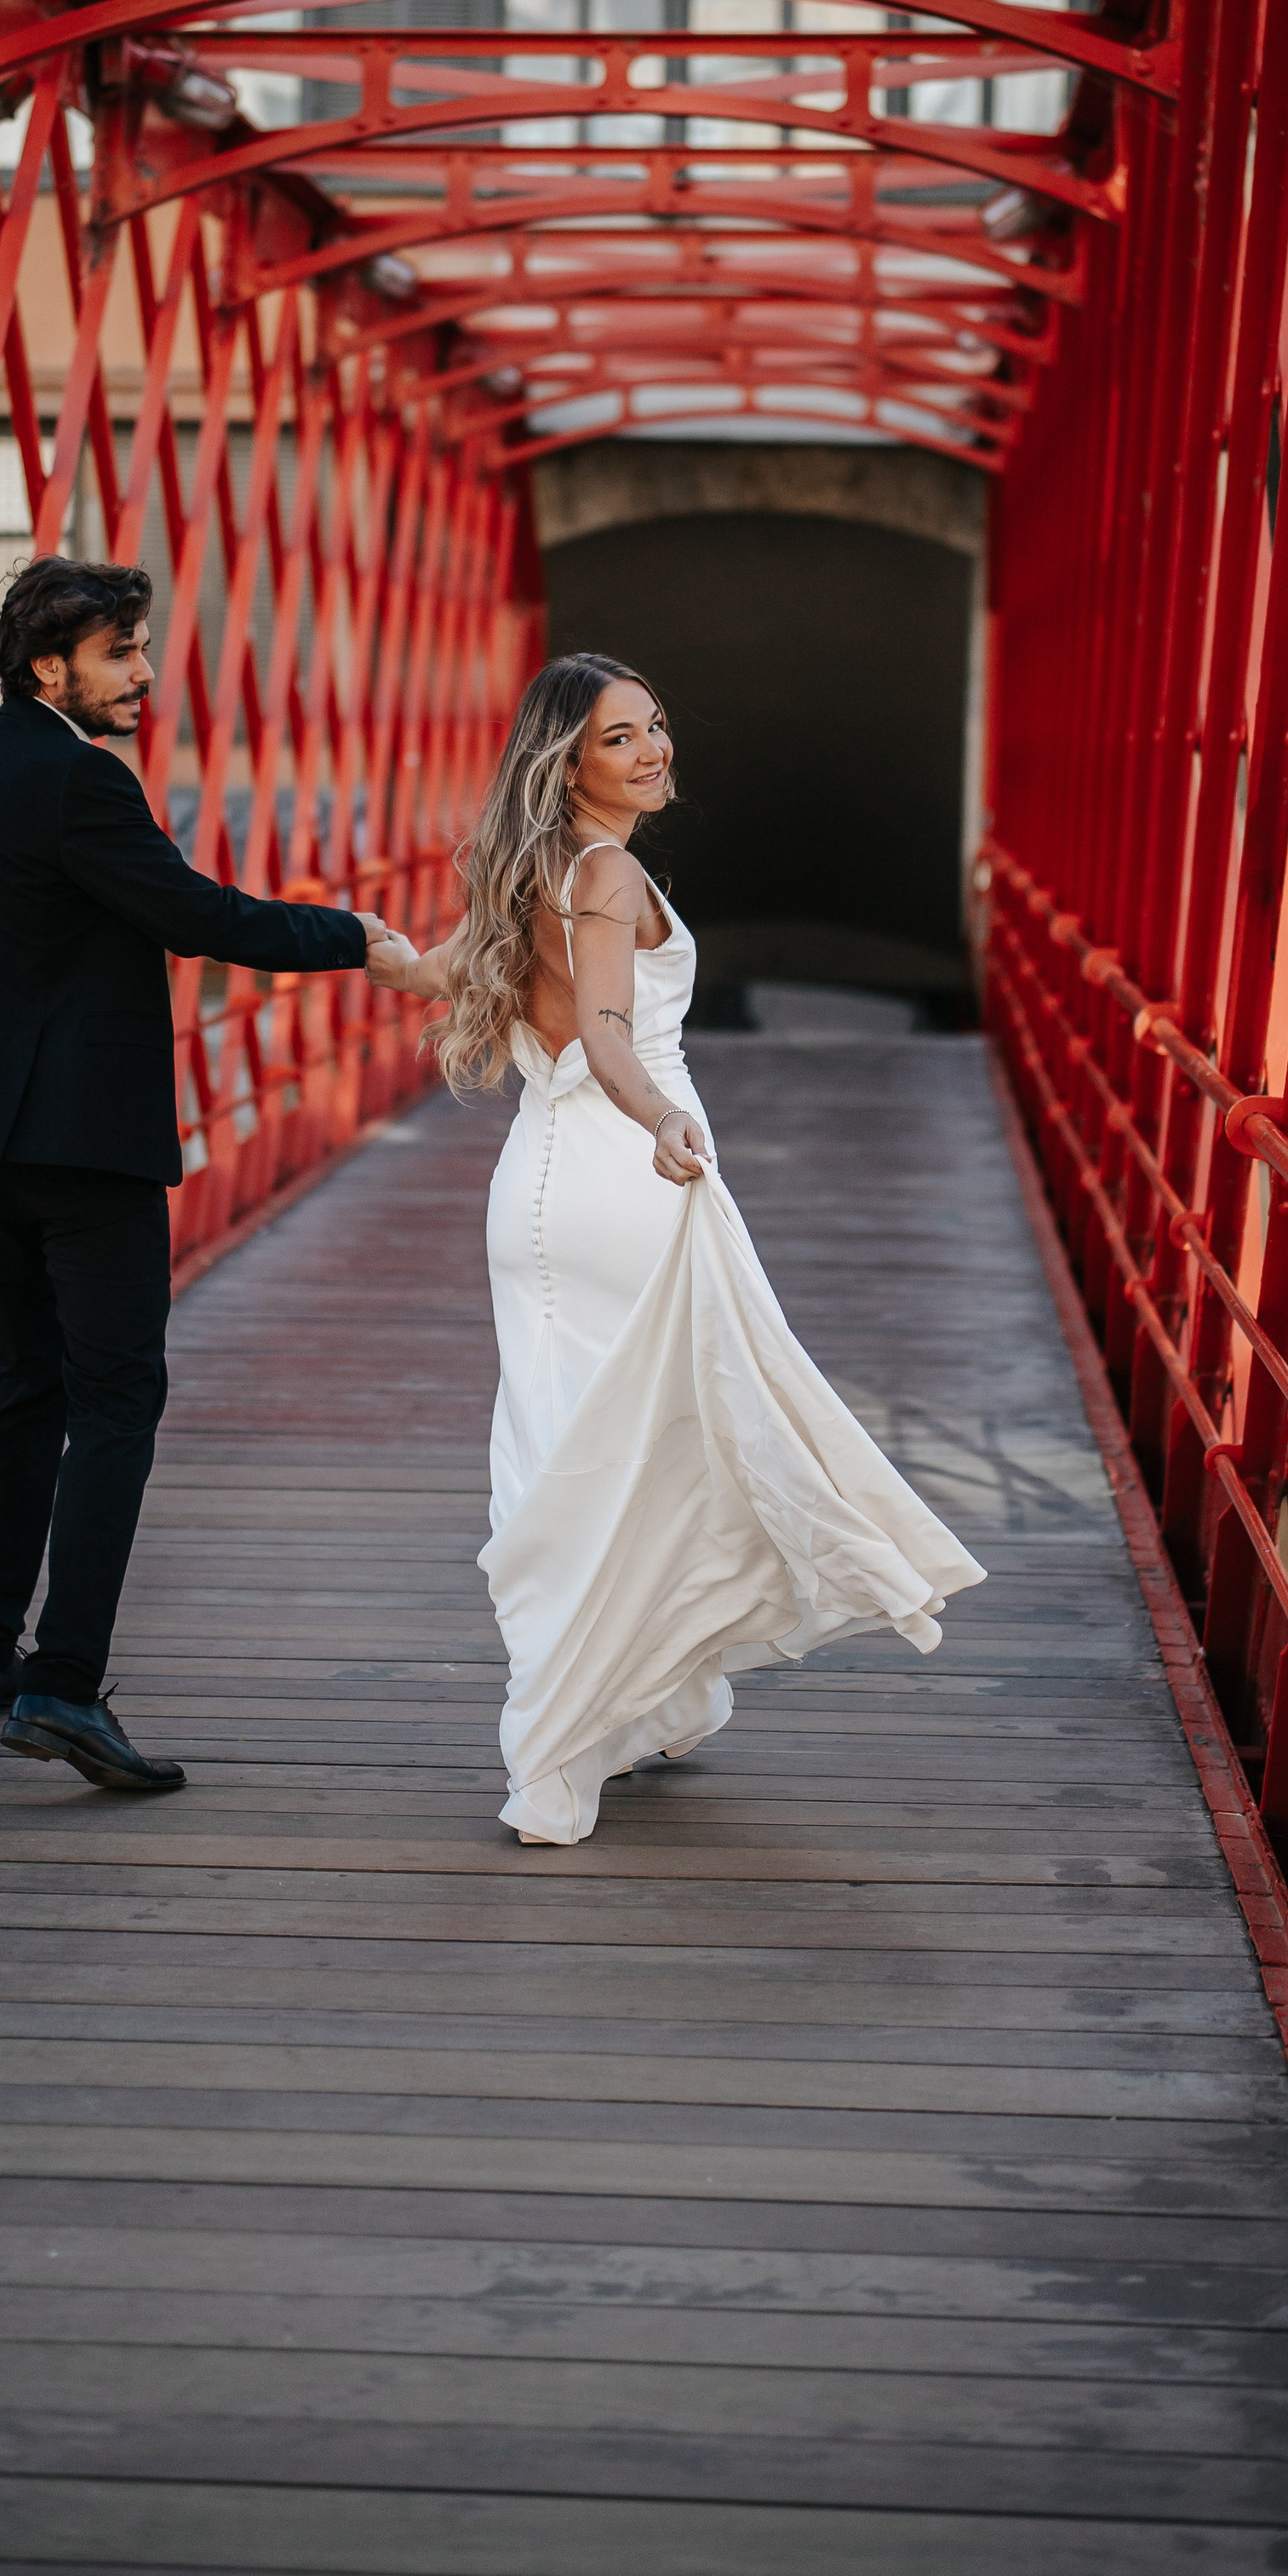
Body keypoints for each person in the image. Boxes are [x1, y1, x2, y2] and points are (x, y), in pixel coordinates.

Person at [0, 556, 414, 1795]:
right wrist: (359, 938)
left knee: (29, 1380)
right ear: (51, 666)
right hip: (85, 1143)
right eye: (122, 653)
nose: (146, 675)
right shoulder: (78, 781)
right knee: (117, 1399)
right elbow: (204, 916)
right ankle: (63, 1684)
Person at [385, 652, 984, 1845]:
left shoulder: (531, 866)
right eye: (622, 737)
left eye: (656, 727)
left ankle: (649, 1696)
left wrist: (364, 945)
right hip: (622, 1177)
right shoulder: (605, 873)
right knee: (669, 1437)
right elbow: (609, 1030)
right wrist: (664, 1119)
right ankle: (566, 1742)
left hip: (533, 1195)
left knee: (566, 1452)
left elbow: (434, 972)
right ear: (571, 760)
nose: (655, 749)